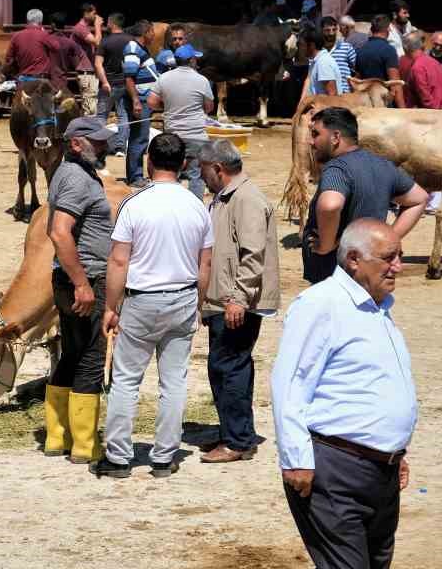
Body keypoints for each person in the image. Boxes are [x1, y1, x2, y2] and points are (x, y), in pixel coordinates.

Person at [248, 218, 418, 569]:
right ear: (353, 260)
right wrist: (295, 457)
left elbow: (371, 388)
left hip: (380, 471)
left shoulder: (379, 310)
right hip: (330, 467)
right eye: (388, 257)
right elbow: (290, 382)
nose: (398, 266)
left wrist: (395, 449)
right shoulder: (322, 305)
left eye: (399, 255)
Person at [92, 134, 214, 478]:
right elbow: (205, 264)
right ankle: (164, 456)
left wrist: (111, 306)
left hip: (141, 299)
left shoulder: (135, 204)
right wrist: (199, 303)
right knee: (173, 381)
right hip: (183, 296)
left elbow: (118, 262)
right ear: (184, 165)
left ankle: (118, 456)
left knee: (126, 381)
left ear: (148, 162)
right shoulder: (197, 206)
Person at [42, 116, 118, 465]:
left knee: (71, 354)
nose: (103, 146)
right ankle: (85, 446)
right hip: (85, 279)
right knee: (90, 356)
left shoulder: (70, 172)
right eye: (97, 141)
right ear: (76, 144)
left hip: (70, 277)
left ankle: (58, 437)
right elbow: (59, 232)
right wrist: (83, 283)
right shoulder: (76, 178)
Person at [198, 138, 279, 464]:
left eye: (204, 170)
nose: (201, 176)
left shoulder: (246, 199)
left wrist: (238, 299)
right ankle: (236, 434)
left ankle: (237, 441)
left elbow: (252, 254)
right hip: (225, 298)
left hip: (235, 301)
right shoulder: (227, 198)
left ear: (218, 168)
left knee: (229, 367)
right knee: (227, 367)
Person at [301, 107, 428, 283]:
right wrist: (385, 240)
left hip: (335, 276)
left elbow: (330, 205)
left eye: (315, 134)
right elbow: (419, 199)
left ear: (335, 137)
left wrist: (326, 245)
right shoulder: (382, 165)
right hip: (369, 276)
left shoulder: (337, 168)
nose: (310, 141)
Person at [147, 44, 216, 199]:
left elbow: (151, 102)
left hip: (173, 135)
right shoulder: (202, 80)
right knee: (196, 176)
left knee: (171, 174)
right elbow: (209, 107)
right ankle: (194, 206)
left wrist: (166, 105)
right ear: (191, 60)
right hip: (196, 135)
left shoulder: (164, 78)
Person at [98, 16, 151, 184]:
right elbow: (130, 74)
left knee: (104, 118)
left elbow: (99, 64)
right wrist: (135, 98)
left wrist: (105, 82)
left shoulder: (108, 42)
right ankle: (127, 159)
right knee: (130, 127)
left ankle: (102, 152)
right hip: (133, 92)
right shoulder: (133, 45)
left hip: (117, 87)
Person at [395, 30, 442, 109]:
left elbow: (424, 96)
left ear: (405, 48)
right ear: (421, 46)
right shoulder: (436, 63)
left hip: (427, 115)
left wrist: (435, 111)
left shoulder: (417, 67)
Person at [4, 8, 55, 86]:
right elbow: (57, 49)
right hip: (41, 80)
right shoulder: (44, 35)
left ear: (27, 21)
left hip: (23, 79)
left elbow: (8, 58)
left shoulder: (16, 36)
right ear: (41, 22)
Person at [297, 26, 346, 96]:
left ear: (311, 45)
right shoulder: (316, 61)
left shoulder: (323, 62)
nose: (299, 48)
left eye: (301, 45)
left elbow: (332, 95)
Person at [355, 14, 400, 85]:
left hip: (365, 94)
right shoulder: (389, 50)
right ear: (388, 29)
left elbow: (357, 79)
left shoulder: (360, 50)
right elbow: (395, 83)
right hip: (383, 94)